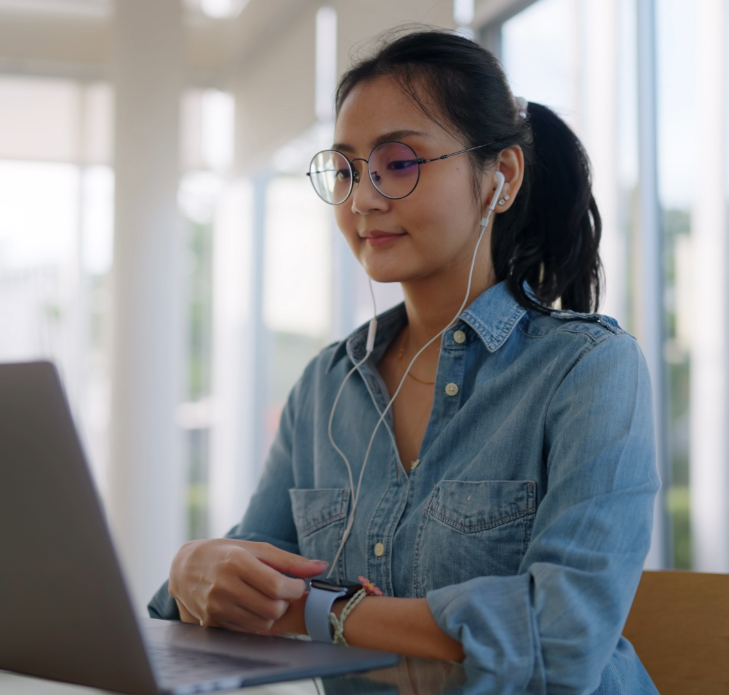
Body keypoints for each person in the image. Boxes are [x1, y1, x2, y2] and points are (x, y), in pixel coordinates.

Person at [149, 28, 660, 694]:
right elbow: (239, 594)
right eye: (346, 171)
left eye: (398, 163)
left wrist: (324, 612)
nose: (362, 199)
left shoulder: (588, 369)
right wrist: (191, 572)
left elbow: (560, 639)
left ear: (501, 177)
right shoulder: (325, 388)